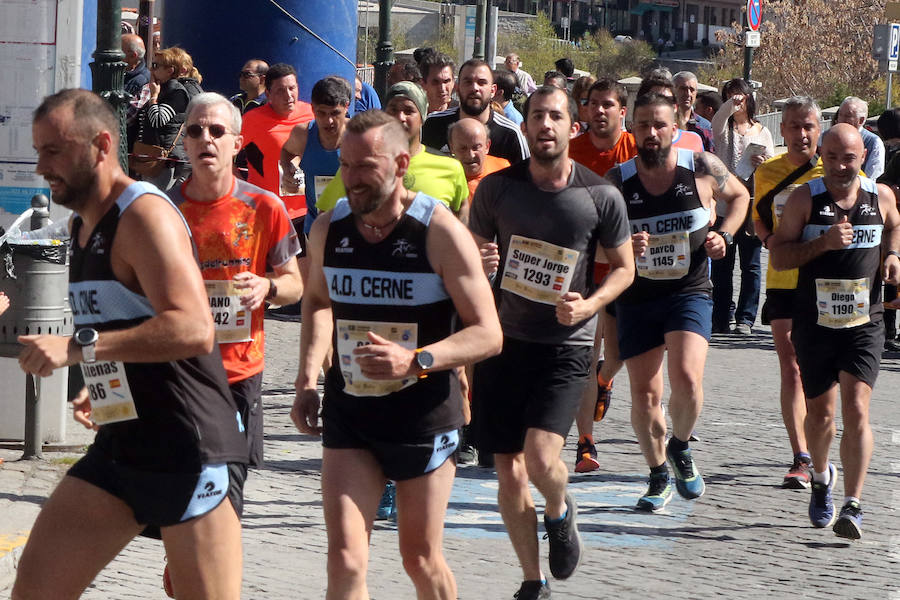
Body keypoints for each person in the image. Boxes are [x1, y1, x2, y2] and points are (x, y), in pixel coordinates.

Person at [14, 88, 248, 599]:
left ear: (101, 145)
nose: (41, 166)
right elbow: (123, 321)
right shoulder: (80, 226)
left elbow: (193, 328)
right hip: (123, 446)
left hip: (190, 451)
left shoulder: (143, 215)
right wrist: (100, 385)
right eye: (37, 151)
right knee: (35, 589)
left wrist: (80, 351)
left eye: (53, 150)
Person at [291, 108, 502, 599]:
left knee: (419, 558)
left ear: (401, 163)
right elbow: (319, 303)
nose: (352, 179)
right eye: (345, 165)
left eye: (365, 167)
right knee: (344, 557)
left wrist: (418, 360)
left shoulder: (438, 231)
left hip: (422, 418)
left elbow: (488, 333)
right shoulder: (329, 229)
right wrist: (306, 380)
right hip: (351, 413)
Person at [469, 86, 634, 599]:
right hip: (504, 341)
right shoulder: (496, 190)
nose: (545, 124)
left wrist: (589, 305)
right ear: (525, 126)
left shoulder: (599, 195)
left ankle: (560, 511)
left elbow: (625, 269)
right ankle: (531, 579)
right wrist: (481, 263)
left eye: (555, 116)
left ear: (572, 125)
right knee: (508, 470)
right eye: (536, 115)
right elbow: (474, 254)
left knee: (541, 460)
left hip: (565, 346)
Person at [605, 92, 750, 512]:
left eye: (659, 124)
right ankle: (656, 474)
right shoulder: (617, 181)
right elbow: (596, 245)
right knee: (646, 394)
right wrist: (623, 248)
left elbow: (740, 197)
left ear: (675, 128)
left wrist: (723, 234)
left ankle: (680, 445)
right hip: (638, 296)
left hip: (689, 289)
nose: (651, 132)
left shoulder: (700, 166)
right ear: (632, 129)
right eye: (643, 124)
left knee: (686, 379)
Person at [769, 123, 900, 540]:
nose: (842, 166)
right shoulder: (804, 199)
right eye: (833, 157)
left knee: (857, 408)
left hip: (865, 321)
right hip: (815, 321)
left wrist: (893, 254)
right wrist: (822, 244)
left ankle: (853, 503)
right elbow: (780, 256)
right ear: (821, 156)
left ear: (863, 156)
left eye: (850, 157)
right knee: (822, 415)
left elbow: (895, 224)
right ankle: (823, 477)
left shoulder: (880, 196)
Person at [171, 92, 303, 468]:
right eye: (195, 131)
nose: (205, 139)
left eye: (216, 130)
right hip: (181, 369)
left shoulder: (265, 206)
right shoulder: (163, 208)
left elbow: (295, 284)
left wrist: (269, 287)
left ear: (237, 144)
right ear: (185, 142)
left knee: (229, 487)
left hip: (239, 370)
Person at [753, 96, 825, 489]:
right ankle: (800, 454)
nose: (801, 134)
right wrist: (768, 239)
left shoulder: (835, 168)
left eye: (808, 126)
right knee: (791, 364)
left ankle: (821, 435)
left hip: (826, 282)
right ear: (782, 130)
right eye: (793, 126)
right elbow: (757, 219)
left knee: (821, 371)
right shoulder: (768, 172)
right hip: (784, 279)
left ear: (819, 129)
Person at [567, 79, 638, 473]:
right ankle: (585, 442)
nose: (599, 111)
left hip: (626, 270)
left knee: (621, 353)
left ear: (621, 112)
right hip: (583, 271)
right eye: (592, 103)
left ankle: (605, 379)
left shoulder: (633, 151)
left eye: (607, 104)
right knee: (584, 356)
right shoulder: (571, 152)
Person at [317, 81, 468, 218]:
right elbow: (325, 215)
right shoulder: (358, 165)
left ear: (422, 117)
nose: (400, 117)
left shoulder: (450, 168)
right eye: (393, 110)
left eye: (408, 111)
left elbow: (463, 218)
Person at [710, 78, 774, 334]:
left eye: (740, 96)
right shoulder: (724, 128)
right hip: (726, 205)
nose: (737, 100)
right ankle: (721, 315)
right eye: (730, 95)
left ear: (750, 98)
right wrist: (728, 105)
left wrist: (763, 161)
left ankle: (746, 318)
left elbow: (772, 165)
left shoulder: (763, 131)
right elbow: (716, 122)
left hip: (753, 204)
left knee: (751, 265)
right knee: (723, 264)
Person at [239, 63, 314, 226]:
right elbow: (225, 158)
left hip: (308, 211)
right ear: (268, 93)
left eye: (292, 88)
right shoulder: (252, 120)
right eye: (280, 90)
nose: (288, 96)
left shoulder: (311, 113)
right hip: (268, 212)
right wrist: (242, 191)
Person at [280, 76, 352, 241]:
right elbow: (286, 151)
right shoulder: (303, 134)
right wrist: (287, 169)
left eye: (335, 113)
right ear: (312, 109)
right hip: (316, 226)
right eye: (322, 113)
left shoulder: (360, 135)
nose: (329, 121)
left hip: (354, 228)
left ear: (346, 107)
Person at [422, 59, 529, 163]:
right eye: (468, 82)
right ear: (458, 89)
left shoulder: (510, 135)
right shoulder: (434, 124)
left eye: (481, 82)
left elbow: (525, 178)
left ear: (493, 91)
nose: (474, 88)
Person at [136, 47, 192, 191]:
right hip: (152, 156)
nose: (151, 69)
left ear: (170, 70)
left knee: (159, 199)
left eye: (156, 66)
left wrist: (153, 97)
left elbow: (157, 120)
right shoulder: (161, 89)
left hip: (166, 160)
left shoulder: (177, 92)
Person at [447, 117, 510, 210]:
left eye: (476, 147)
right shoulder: (443, 176)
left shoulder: (504, 170)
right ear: (452, 147)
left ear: (487, 146)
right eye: (463, 148)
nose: (470, 155)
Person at [637, 76, 704, 152]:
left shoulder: (693, 141)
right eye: (657, 99)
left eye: (668, 100)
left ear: (675, 106)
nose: (662, 105)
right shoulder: (629, 144)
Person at [833, 96, 885, 180]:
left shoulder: (873, 142)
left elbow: (872, 179)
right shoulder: (829, 138)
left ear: (861, 120)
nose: (841, 119)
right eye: (840, 114)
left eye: (847, 116)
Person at [122, 34, 150, 155]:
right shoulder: (123, 74)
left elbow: (127, 116)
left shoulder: (143, 80)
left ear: (133, 56)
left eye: (119, 50)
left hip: (126, 146)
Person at [673, 71, 715, 152]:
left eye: (692, 90)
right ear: (673, 90)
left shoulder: (705, 127)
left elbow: (709, 158)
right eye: (683, 89)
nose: (688, 94)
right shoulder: (664, 123)